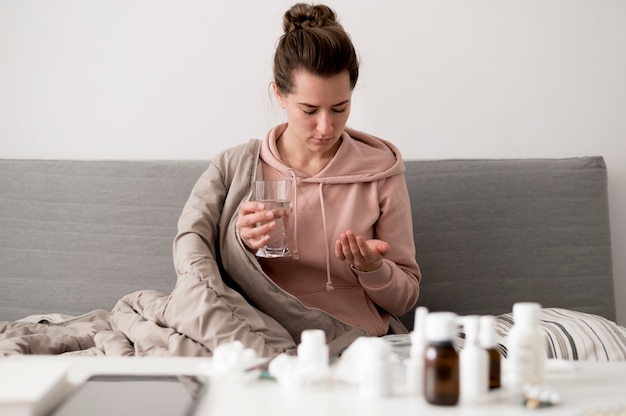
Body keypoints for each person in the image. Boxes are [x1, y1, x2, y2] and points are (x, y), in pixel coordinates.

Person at [174, 2, 421, 358]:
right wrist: (238, 242)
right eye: (309, 110)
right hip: (257, 332)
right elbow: (190, 251)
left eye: (340, 108)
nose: (326, 127)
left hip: (354, 340)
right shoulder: (234, 167)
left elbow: (406, 296)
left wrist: (373, 269)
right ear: (279, 95)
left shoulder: (380, 172)